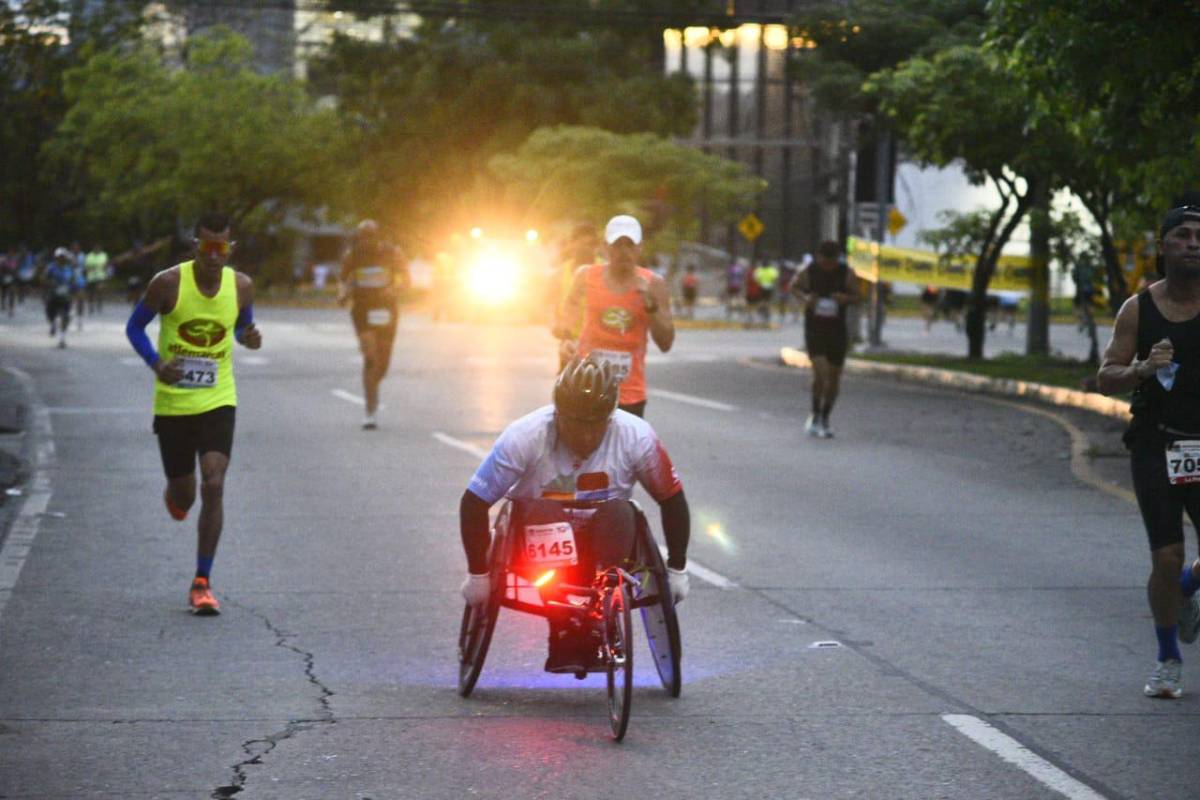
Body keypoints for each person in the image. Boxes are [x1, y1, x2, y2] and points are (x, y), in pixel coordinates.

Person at [459, 355, 691, 674]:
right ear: (558, 414)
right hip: (538, 538)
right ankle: (563, 624)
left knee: (622, 510)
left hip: (607, 533)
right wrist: (479, 575)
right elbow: (474, 502)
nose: (583, 436)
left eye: (593, 426)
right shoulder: (525, 435)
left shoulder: (637, 436)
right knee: (545, 508)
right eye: (574, 424)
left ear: (610, 419)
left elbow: (672, 499)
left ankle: (599, 615)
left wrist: (677, 569)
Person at [124, 213, 262, 615]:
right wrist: (155, 363)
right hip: (174, 403)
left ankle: (202, 581)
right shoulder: (167, 283)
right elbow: (134, 328)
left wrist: (248, 337)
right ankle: (175, 495)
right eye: (208, 248)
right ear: (195, 246)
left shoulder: (242, 286)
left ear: (230, 248)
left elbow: (240, 329)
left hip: (218, 399)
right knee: (184, 495)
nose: (215, 256)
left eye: (223, 248)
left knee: (214, 483)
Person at [1097, 202, 1200, 699]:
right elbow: (1105, 376)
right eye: (1182, 234)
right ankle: (1167, 657)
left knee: (1182, 569)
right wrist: (1140, 368)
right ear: (1162, 246)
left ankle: (1186, 590)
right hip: (1157, 442)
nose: (1193, 243)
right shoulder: (1140, 308)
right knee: (1166, 555)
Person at [553, 215, 674, 418]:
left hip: (629, 394)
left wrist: (650, 304)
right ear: (605, 247)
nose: (624, 252)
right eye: (617, 245)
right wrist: (566, 338)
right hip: (585, 386)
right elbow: (569, 311)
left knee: (625, 450)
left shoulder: (654, 284)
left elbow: (665, 343)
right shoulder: (585, 276)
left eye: (630, 245)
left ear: (640, 248)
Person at [337, 219, 410, 430]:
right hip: (362, 308)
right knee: (370, 357)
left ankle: (372, 386)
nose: (367, 241)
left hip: (386, 309)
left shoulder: (392, 253)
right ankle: (370, 410)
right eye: (363, 236)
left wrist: (395, 291)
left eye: (371, 236)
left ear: (378, 236)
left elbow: (406, 280)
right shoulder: (352, 255)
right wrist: (343, 294)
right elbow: (343, 280)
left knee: (383, 362)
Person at [790, 240, 859, 438]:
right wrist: (805, 299)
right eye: (825, 262)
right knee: (821, 372)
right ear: (818, 258)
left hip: (837, 330)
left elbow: (857, 296)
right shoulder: (808, 271)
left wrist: (845, 298)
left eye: (832, 262)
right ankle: (815, 414)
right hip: (815, 328)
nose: (828, 266)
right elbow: (794, 287)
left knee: (835, 376)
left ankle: (825, 417)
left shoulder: (846, 272)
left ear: (838, 259)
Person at [43, 247, 76, 348]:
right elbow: (44, 279)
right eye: (60, 257)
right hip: (53, 294)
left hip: (65, 296)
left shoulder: (69, 268)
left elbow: (73, 281)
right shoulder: (51, 268)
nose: (62, 259)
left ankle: (62, 338)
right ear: (56, 257)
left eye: (63, 257)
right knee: (50, 314)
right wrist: (50, 284)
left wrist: (72, 288)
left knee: (65, 316)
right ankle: (53, 324)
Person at [84, 243, 109, 314]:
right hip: (91, 277)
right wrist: (94, 267)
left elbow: (106, 265)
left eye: (98, 248)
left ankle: (99, 304)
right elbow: (87, 266)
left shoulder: (103, 255)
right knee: (91, 293)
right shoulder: (89, 256)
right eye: (96, 248)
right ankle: (91, 305)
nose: (97, 249)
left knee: (99, 291)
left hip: (101, 276)